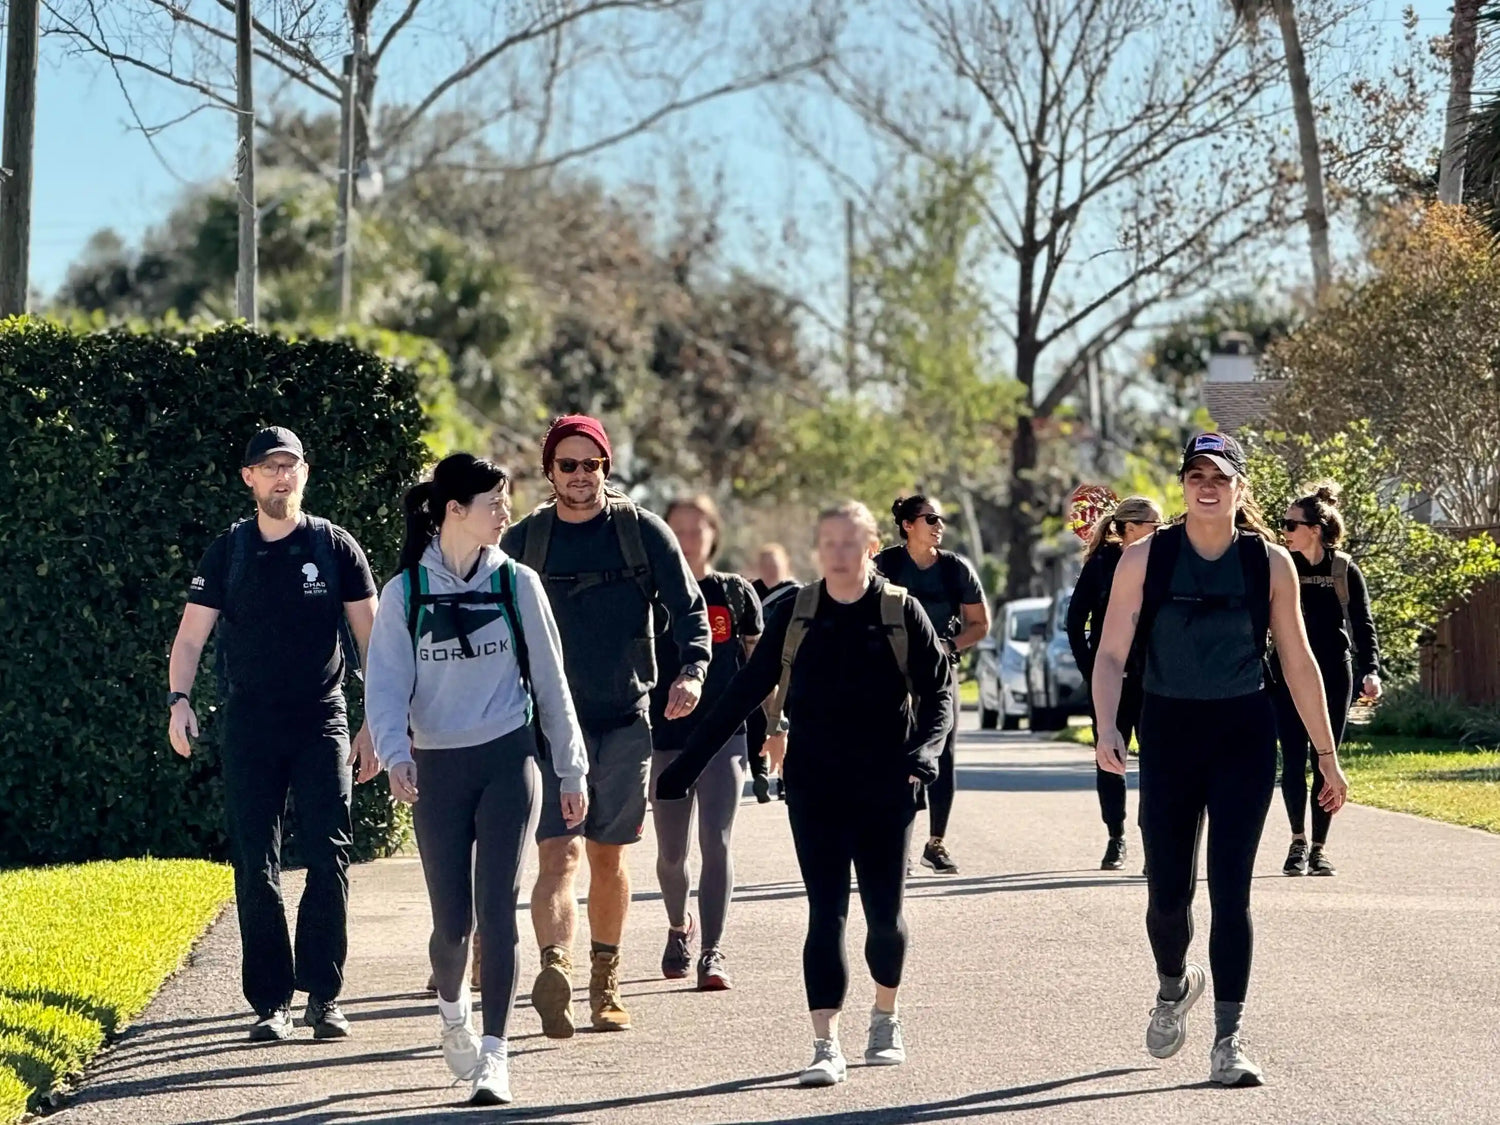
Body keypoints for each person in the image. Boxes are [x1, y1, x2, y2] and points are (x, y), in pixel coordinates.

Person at [658, 501, 953, 1088]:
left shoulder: (901, 611)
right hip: (816, 784)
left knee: (884, 916)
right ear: (818, 549)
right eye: (828, 542)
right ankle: (825, 1043)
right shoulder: (797, 612)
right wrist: (687, 764)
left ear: (872, 547)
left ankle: (885, 1017)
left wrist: (924, 755)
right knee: (825, 913)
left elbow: (941, 694)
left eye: (851, 542)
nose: (839, 552)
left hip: (886, 785)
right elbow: (744, 690)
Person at [1091, 431, 1347, 1088]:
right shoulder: (1145, 557)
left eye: (1220, 475)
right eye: (1196, 473)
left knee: (1231, 891)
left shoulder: (1270, 563)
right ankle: (1174, 983)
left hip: (1242, 732)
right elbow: (1113, 652)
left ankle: (1229, 1038)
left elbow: (1297, 658)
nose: (1208, 484)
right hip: (1169, 730)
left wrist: (1326, 754)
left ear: (1240, 486)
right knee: (1167, 895)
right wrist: (1106, 728)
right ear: (1183, 484)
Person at [363, 454, 589, 1106]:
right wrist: (396, 754)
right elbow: (386, 685)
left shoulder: (518, 583)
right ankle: (453, 1009)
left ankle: (496, 1055)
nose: (506, 510)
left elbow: (552, 684)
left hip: (507, 759)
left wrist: (570, 766)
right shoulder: (406, 590)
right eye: (495, 500)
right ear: (455, 509)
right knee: (451, 927)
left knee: (497, 909)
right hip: (437, 765)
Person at [501, 415, 712, 1038]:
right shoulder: (523, 542)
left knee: (607, 857)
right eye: (568, 465)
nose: (581, 477)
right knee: (556, 854)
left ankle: (605, 980)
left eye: (591, 465)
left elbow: (688, 610)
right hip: (545, 726)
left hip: (624, 720)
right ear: (549, 472)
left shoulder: (641, 533)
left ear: (606, 468)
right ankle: (555, 971)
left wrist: (692, 671)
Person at [167, 426, 379, 1043]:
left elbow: (372, 642)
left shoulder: (335, 547)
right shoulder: (228, 552)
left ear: (304, 474)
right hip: (250, 722)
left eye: (291, 466)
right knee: (255, 862)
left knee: (328, 853)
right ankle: (270, 1002)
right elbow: (188, 640)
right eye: (270, 466)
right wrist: (180, 701)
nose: (282, 476)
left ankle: (324, 996)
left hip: (322, 718)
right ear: (249, 479)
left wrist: (376, 723)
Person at [650, 495, 763, 991]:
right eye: (680, 531)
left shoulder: (735, 594)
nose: (690, 540)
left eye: (699, 531)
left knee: (715, 841)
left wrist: (774, 731)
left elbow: (762, 672)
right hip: (665, 741)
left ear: (714, 535)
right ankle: (680, 927)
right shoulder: (650, 595)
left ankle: (713, 952)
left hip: (724, 739)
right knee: (672, 855)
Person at [874, 495, 990, 875]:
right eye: (930, 518)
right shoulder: (885, 566)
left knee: (943, 751)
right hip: (890, 671)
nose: (939, 525)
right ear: (908, 525)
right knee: (894, 751)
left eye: (941, 519)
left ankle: (935, 843)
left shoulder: (955, 569)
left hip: (939, 671)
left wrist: (948, 645)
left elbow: (980, 625)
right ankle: (897, 843)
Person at [1275, 481, 1382, 877]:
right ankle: (1297, 841)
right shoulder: (1281, 565)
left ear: (1314, 529)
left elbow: (1362, 623)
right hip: (1284, 671)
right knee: (1292, 760)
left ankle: (1320, 848)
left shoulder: (1343, 568)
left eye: (1290, 524)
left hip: (1334, 673)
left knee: (1325, 758)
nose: (1283, 531)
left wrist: (1371, 670)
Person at [1065, 496, 1165, 871]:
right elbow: (1075, 622)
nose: (1162, 530)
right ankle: (1115, 836)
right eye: (1154, 525)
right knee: (1110, 757)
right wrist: (1091, 670)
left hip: (1154, 678)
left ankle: (1152, 841)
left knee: (1157, 763)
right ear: (1130, 528)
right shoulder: (1101, 565)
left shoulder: (1162, 560)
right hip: (1111, 680)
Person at [748, 542, 799, 802]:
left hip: (789, 667)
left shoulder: (797, 593)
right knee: (756, 722)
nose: (769, 567)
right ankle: (761, 773)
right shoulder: (750, 591)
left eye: (774, 561)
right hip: (759, 666)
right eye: (764, 561)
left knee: (787, 723)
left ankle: (784, 778)